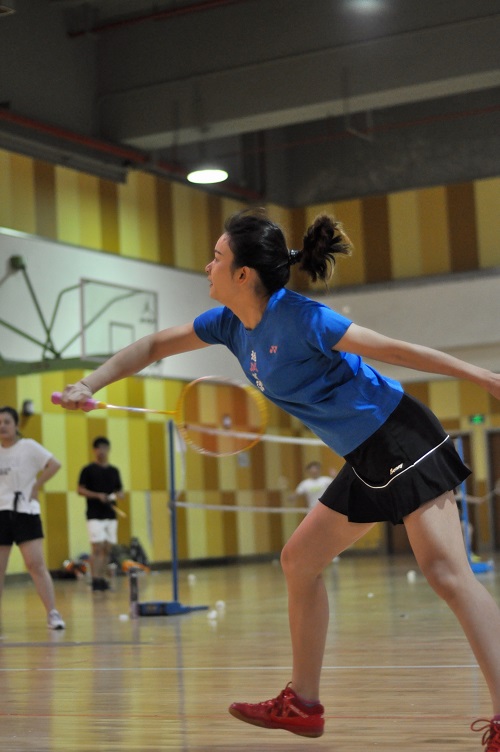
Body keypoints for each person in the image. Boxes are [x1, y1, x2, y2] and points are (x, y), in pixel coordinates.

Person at [58, 209, 500, 749]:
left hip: (402, 437)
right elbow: (152, 347)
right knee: (299, 561)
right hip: (364, 455)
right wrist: (89, 384)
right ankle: (303, 704)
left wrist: (483, 376)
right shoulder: (228, 324)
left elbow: (395, 351)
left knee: (448, 575)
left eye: (217, 257)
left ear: (243, 274)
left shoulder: (304, 319)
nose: (207, 267)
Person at [0, 406, 65, 629]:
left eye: (7, 422)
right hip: (1, 513)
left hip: (25, 512)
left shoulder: (28, 446)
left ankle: (52, 613)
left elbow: (54, 464)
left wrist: (36, 486)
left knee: (35, 564)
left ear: (16, 425)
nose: (2, 426)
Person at [78, 436, 124, 592]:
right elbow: (80, 489)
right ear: (94, 450)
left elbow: (119, 490)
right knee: (97, 547)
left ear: (108, 449)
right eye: (99, 448)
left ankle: (103, 578)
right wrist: (97, 495)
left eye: (104, 448)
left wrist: (118, 495)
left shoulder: (114, 471)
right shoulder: (88, 470)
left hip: (110, 514)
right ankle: (95, 578)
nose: (102, 451)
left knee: (107, 548)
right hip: (94, 514)